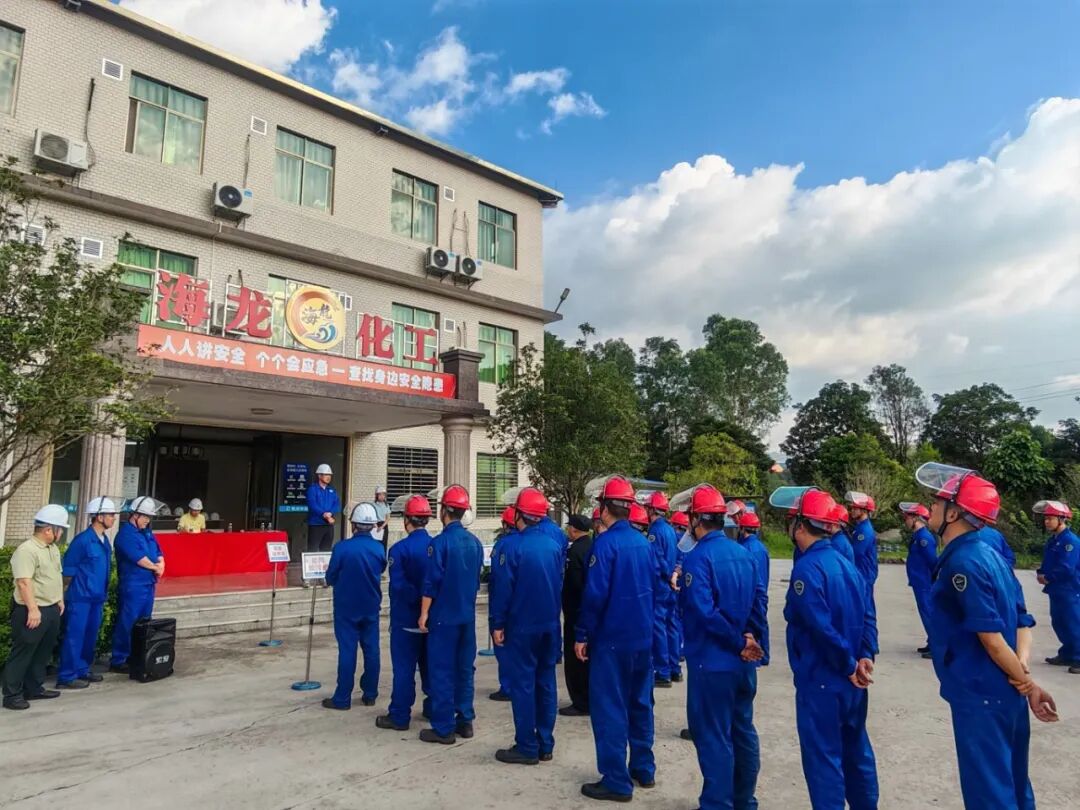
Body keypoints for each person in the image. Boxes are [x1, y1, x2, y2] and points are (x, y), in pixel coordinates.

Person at [916, 463, 1058, 809]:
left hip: (982, 694)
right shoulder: (990, 554)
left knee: (989, 793)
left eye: (938, 502)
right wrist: (1023, 674)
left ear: (954, 513)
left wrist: (1025, 681)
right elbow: (1022, 623)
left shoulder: (963, 562)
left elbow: (992, 640)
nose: (931, 506)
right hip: (1005, 692)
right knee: (1014, 783)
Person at [776, 486, 879, 809]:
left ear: (801, 526)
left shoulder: (807, 569)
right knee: (856, 751)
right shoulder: (846, 563)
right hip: (853, 680)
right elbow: (868, 614)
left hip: (823, 676)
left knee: (824, 759)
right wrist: (865, 656)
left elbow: (820, 627)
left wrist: (848, 664)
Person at [680, 485, 767, 810]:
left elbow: (704, 613)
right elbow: (759, 600)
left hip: (713, 661)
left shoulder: (697, 559)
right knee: (742, 730)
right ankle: (744, 800)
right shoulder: (744, 554)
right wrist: (751, 639)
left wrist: (738, 642)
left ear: (695, 519)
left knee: (713, 735)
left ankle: (717, 803)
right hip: (743, 662)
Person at [575, 476, 657, 802]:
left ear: (604, 508)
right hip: (642, 637)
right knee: (640, 703)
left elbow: (595, 596)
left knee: (610, 707)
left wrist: (582, 633)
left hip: (612, 640)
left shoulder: (605, 545)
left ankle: (616, 781)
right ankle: (643, 768)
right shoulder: (643, 543)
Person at [491, 487, 565, 765]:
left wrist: (498, 623)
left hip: (521, 626)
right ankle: (545, 743)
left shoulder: (511, 546)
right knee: (546, 682)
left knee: (523, 685)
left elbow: (503, 591)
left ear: (518, 514)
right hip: (549, 625)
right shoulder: (554, 546)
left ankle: (526, 745)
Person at [418, 485, 484, 744]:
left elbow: (431, 583)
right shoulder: (475, 542)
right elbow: (476, 580)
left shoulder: (439, 543)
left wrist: (424, 613)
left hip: (444, 617)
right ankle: (465, 720)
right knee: (465, 669)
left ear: (444, 510)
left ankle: (444, 727)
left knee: (442, 670)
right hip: (467, 615)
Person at [2, 505, 69, 710]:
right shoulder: (27, 550)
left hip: (50, 608)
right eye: (60, 529)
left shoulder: (52, 549)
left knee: (42, 651)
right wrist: (33, 609)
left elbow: (55, 576)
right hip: (31, 609)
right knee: (23, 652)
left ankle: (34, 687)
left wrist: (59, 599)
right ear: (49, 530)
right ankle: (12, 694)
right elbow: (24, 582)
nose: (61, 533)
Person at [377, 495, 434, 731]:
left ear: (406, 520)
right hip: (432, 620)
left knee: (404, 670)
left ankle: (400, 715)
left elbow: (398, 586)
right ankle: (433, 707)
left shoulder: (399, 550)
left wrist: (416, 602)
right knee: (431, 668)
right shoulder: (436, 546)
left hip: (405, 620)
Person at [323, 503, 386, 711]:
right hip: (370, 607)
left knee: (347, 651)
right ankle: (370, 694)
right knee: (372, 650)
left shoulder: (341, 548)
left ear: (353, 525)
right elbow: (381, 569)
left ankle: (342, 698)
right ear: (373, 526)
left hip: (346, 608)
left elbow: (330, 577)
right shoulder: (379, 549)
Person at [56, 497, 117, 689]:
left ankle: (82, 669)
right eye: (110, 514)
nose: (113, 518)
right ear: (99, 517)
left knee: (90, 636)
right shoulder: (82, 541)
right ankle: (67, 675)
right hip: (80, 598)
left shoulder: (104, 541)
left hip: (96, 598)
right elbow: (68, 572)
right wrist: (62, 596)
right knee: (75, 636)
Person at [110, 496, 164, 673]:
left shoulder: (146, 532)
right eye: (145, 516)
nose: (147, 520)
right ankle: (119, 659)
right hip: (133, 585)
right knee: (128, 622)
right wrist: (155, 567)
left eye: (149, 517)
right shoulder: (125, 535)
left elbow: (158, 551)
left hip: (147, 584)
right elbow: (138, 558)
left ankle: (138, 654)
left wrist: (161, 563)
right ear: (134, 515)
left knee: (144, 622)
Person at [1033, 499, 1080, 672]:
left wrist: (1048, 577)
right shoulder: (1054, 540)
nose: (1047, 522)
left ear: (1061, 519)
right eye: (1046, 518)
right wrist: (1041, 573)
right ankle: (1067, 654)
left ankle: (1078, 657)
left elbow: (1067, 568)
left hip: (1069, 588)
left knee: (1073, 623)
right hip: (1057, 589)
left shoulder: (1069, 541)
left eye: (1050, 519)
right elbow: (1048, 562)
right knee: (1059, 622)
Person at [644, 491, 679, 688]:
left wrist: (666, 577)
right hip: (670, 584)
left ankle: (662, 671)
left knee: (658, 627)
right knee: (671, 625)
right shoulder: (670, 529)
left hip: (660, 585)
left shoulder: (655, 532)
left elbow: (657, 560)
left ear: (652, 510)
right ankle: (674, 668)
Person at [560, 514, 594, 717]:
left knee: (575, 659)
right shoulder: (593, 546)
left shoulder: (575, 551)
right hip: (589, 612)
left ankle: (580, 702)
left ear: (573, 529)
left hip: (576, 613)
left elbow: (574, 584)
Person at [487, 506, 518, 702]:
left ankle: (507, 687)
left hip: (504, 604)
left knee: (503, 647)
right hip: (524, 606)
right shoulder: (532, 542)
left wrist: (497, 619)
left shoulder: (503, 545)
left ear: (506, 525)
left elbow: (500, 580)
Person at [900, 502, 937, 658]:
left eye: (907, 518)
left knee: (928, 613)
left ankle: (936, 646)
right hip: (919, 581)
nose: (905, 521)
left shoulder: (923, 538)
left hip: (924, 582)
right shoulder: (918, 536)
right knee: (925, 613)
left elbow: (933, 561)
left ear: (916, 518)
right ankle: (931, 642)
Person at [737, 510, 771, 667]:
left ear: (742, 528)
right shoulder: (761, 547)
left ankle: (755, 658)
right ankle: (764, 656)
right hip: (762, 591)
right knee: (762, 621)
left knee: (751, 624)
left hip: (750, 593)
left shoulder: (744, 549)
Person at [846, 491, 879, 598]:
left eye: (855, 508)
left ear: (864, 510)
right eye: (851, 508)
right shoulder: (860, 527)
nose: (852, 511)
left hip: (865, 572)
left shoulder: (864, 530)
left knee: (866, 605)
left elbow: (856, 552)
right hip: (863, 571)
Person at [306, 463, 341, 553]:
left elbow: (337, 504)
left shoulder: (332, 490)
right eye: (326, 475)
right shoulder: (312, 489)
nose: (328, 477)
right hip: (316, 525)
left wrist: (330, 513)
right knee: (312, 550)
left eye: (330, 475)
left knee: (326, 550)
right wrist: (324, 514)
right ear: (319, 476)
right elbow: (312, 504)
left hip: (328, 525)